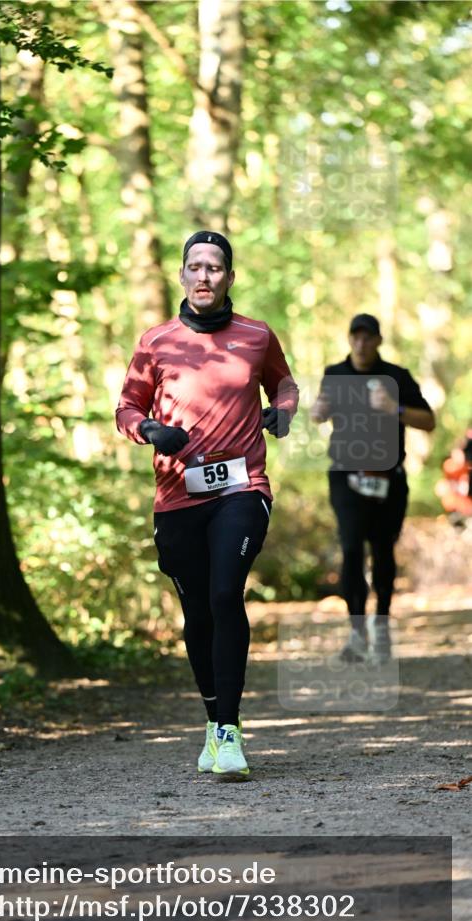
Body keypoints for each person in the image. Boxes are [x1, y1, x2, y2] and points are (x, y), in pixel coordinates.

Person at [115, 231, 298, 780]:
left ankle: (229, 731)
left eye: (214, 268)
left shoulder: (257, 336)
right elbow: (126, 406)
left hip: (243, 487)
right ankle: (212, 717)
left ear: (229, 278)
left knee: (225, 592)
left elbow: (283, 384)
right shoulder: (156, 342)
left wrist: (281, 413)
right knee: (196, 607)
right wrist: (149, 429)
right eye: (194, 266)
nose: (204, 276)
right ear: (181, 276)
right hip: (177, 496)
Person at [311, 313, 435, 661]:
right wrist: (318, 411)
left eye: (368, 338)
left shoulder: (397, 376)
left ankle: (380, 624)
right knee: (351, 549)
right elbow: (319, 413)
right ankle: (356, 632)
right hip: (346, 476)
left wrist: (394, 408)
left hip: (388, 478)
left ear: (378, 340)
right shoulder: (334, 375)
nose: (361, 344)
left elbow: (428, 421)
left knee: (382, 551)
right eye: (356, 337)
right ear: (349, 339)